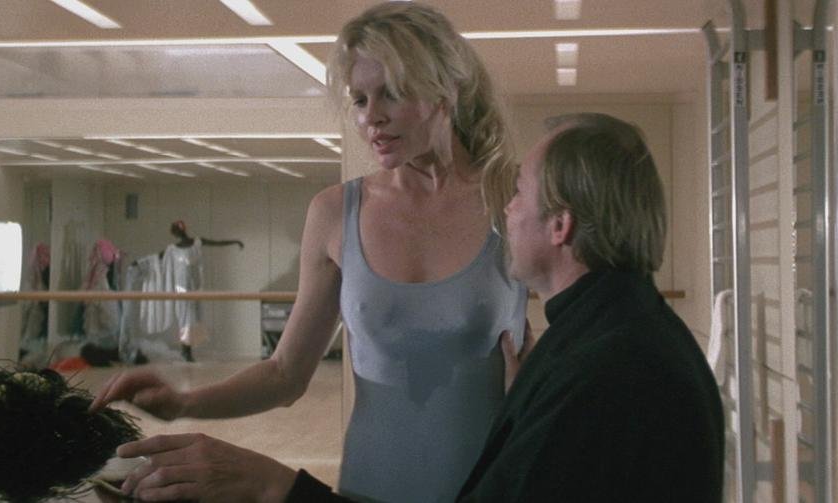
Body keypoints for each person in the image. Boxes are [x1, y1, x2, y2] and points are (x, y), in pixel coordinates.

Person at [105, 113, 726, 503]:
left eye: (518, 193)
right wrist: (527, 400)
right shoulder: (605, 337)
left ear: (560, 226)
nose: (506, 209)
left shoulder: (607, 369)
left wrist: (270, 485)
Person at [90, 3, 527, 502]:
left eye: (392, 93)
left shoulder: (513, 198)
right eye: (359, 99)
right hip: (369, 485)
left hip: (494, 483)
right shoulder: (335, 212)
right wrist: (183, 402)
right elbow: (285, 374)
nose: (371, 116)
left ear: (446, 89)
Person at [163, 220, 244, 362]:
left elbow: (217, 243)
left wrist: (235, 242)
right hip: (181, 288)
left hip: (195, 286)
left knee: (194, 318)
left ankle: (187, 348)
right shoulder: (172, 249)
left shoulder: (197, 242)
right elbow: (162, 260)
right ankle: (185, 350)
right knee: (185, 318)